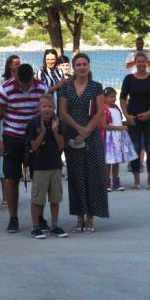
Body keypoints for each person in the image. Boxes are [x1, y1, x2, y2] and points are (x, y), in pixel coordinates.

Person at [0, 63, 48, 233]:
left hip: (35, 137)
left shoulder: (42, 88)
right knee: (11, 179)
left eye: (27, 83)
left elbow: (48, 112)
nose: (24, 87)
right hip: (12, 136)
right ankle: (13, 218)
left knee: (39, 178)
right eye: (21, 84)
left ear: (32, 77)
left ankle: (39, 217)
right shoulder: (5, 89)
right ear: (16, 77)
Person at [59, 53, 109, 232]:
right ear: (74, 67)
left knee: (94, 175)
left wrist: (87, 130)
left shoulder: (96, 86)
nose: (82, 67)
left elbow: (100, 112)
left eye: (84, 64)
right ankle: (79, 216)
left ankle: (91, 217)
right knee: (76, 176)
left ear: (89, 66)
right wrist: (79, 129)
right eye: (78, 64)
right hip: (72, 135)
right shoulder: (66, 87)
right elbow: (63, 112)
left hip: (92, 136)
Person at [25, 95, 68, 239]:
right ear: (39, 108)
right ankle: (35, 227)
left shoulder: (57, 122)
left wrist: (55, 131)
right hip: (39, 166)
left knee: (55, 199)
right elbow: (34, 146)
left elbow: (61, 145)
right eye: (44, 106)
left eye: (50, 106)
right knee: (37, 199)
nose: (47, 109)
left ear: (54, 107)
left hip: (55, 166)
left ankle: (54, 226)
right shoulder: (34, 123)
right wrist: (42, 132)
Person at [120, 52, 150, 190]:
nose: (141, 64)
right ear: (135, 63)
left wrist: (149, 113)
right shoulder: (129, 79)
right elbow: (122, 98)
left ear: (147, 63)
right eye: (138, 62)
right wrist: (126, 115)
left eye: (143, 61)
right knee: (135, 148)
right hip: (134, 118)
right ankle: (136, 180)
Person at [102, 87, 137, 191]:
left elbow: (118, 122)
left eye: (115, 97)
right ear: (104, 98)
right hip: (109, 139)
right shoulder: (104, 110)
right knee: (108, 161)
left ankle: (116, 182)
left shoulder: (116, 108)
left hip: (118, 138)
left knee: (116, 161)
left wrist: (128, 122)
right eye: (111, 97)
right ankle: (107, 183)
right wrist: (120, 128)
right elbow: (104, 125)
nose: (114, 99)